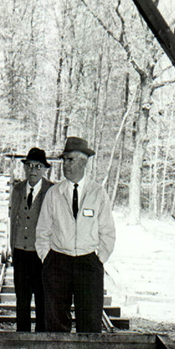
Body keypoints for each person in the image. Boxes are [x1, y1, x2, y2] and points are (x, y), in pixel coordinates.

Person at [36, 136, 115, 333]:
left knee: (89, 322)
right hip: (58, 262)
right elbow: (43, 231)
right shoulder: (54, 193)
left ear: (83, 161)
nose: (65, 165)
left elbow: (107, 231)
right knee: (55, 322)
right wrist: (48, 258)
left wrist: (99, 259)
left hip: (88, 263)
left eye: (70, 160)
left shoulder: (98, 193)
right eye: (64, 160)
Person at [8, 147, 54, 332]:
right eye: (29, 166)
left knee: (42, 298)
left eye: (38, 166)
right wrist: (12, 249)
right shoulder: (18, 189)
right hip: (20, 252)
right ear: (25, 168)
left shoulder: (51, 191)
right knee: (22, 299)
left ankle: (41, 338)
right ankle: (22, 337)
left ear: (44, 170)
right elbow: (13, 222)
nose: (33, 170)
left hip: (41, 254)